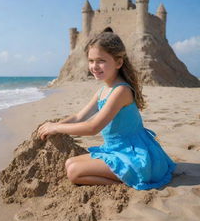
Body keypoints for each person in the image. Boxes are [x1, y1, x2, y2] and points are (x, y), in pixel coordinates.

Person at [38, 32, 176, 190]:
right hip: (115, 150)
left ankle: (127, 184)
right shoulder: (103, 90)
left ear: (118, 63)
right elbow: (79, 117)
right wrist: (54, 124)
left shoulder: (121, 91)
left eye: (101, 61)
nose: (94, 66)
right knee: (69, 163)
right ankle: (124, 178)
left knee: (74, 173)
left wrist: (56, 128)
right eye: (91, 61)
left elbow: (92, 128)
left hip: (133, 155)